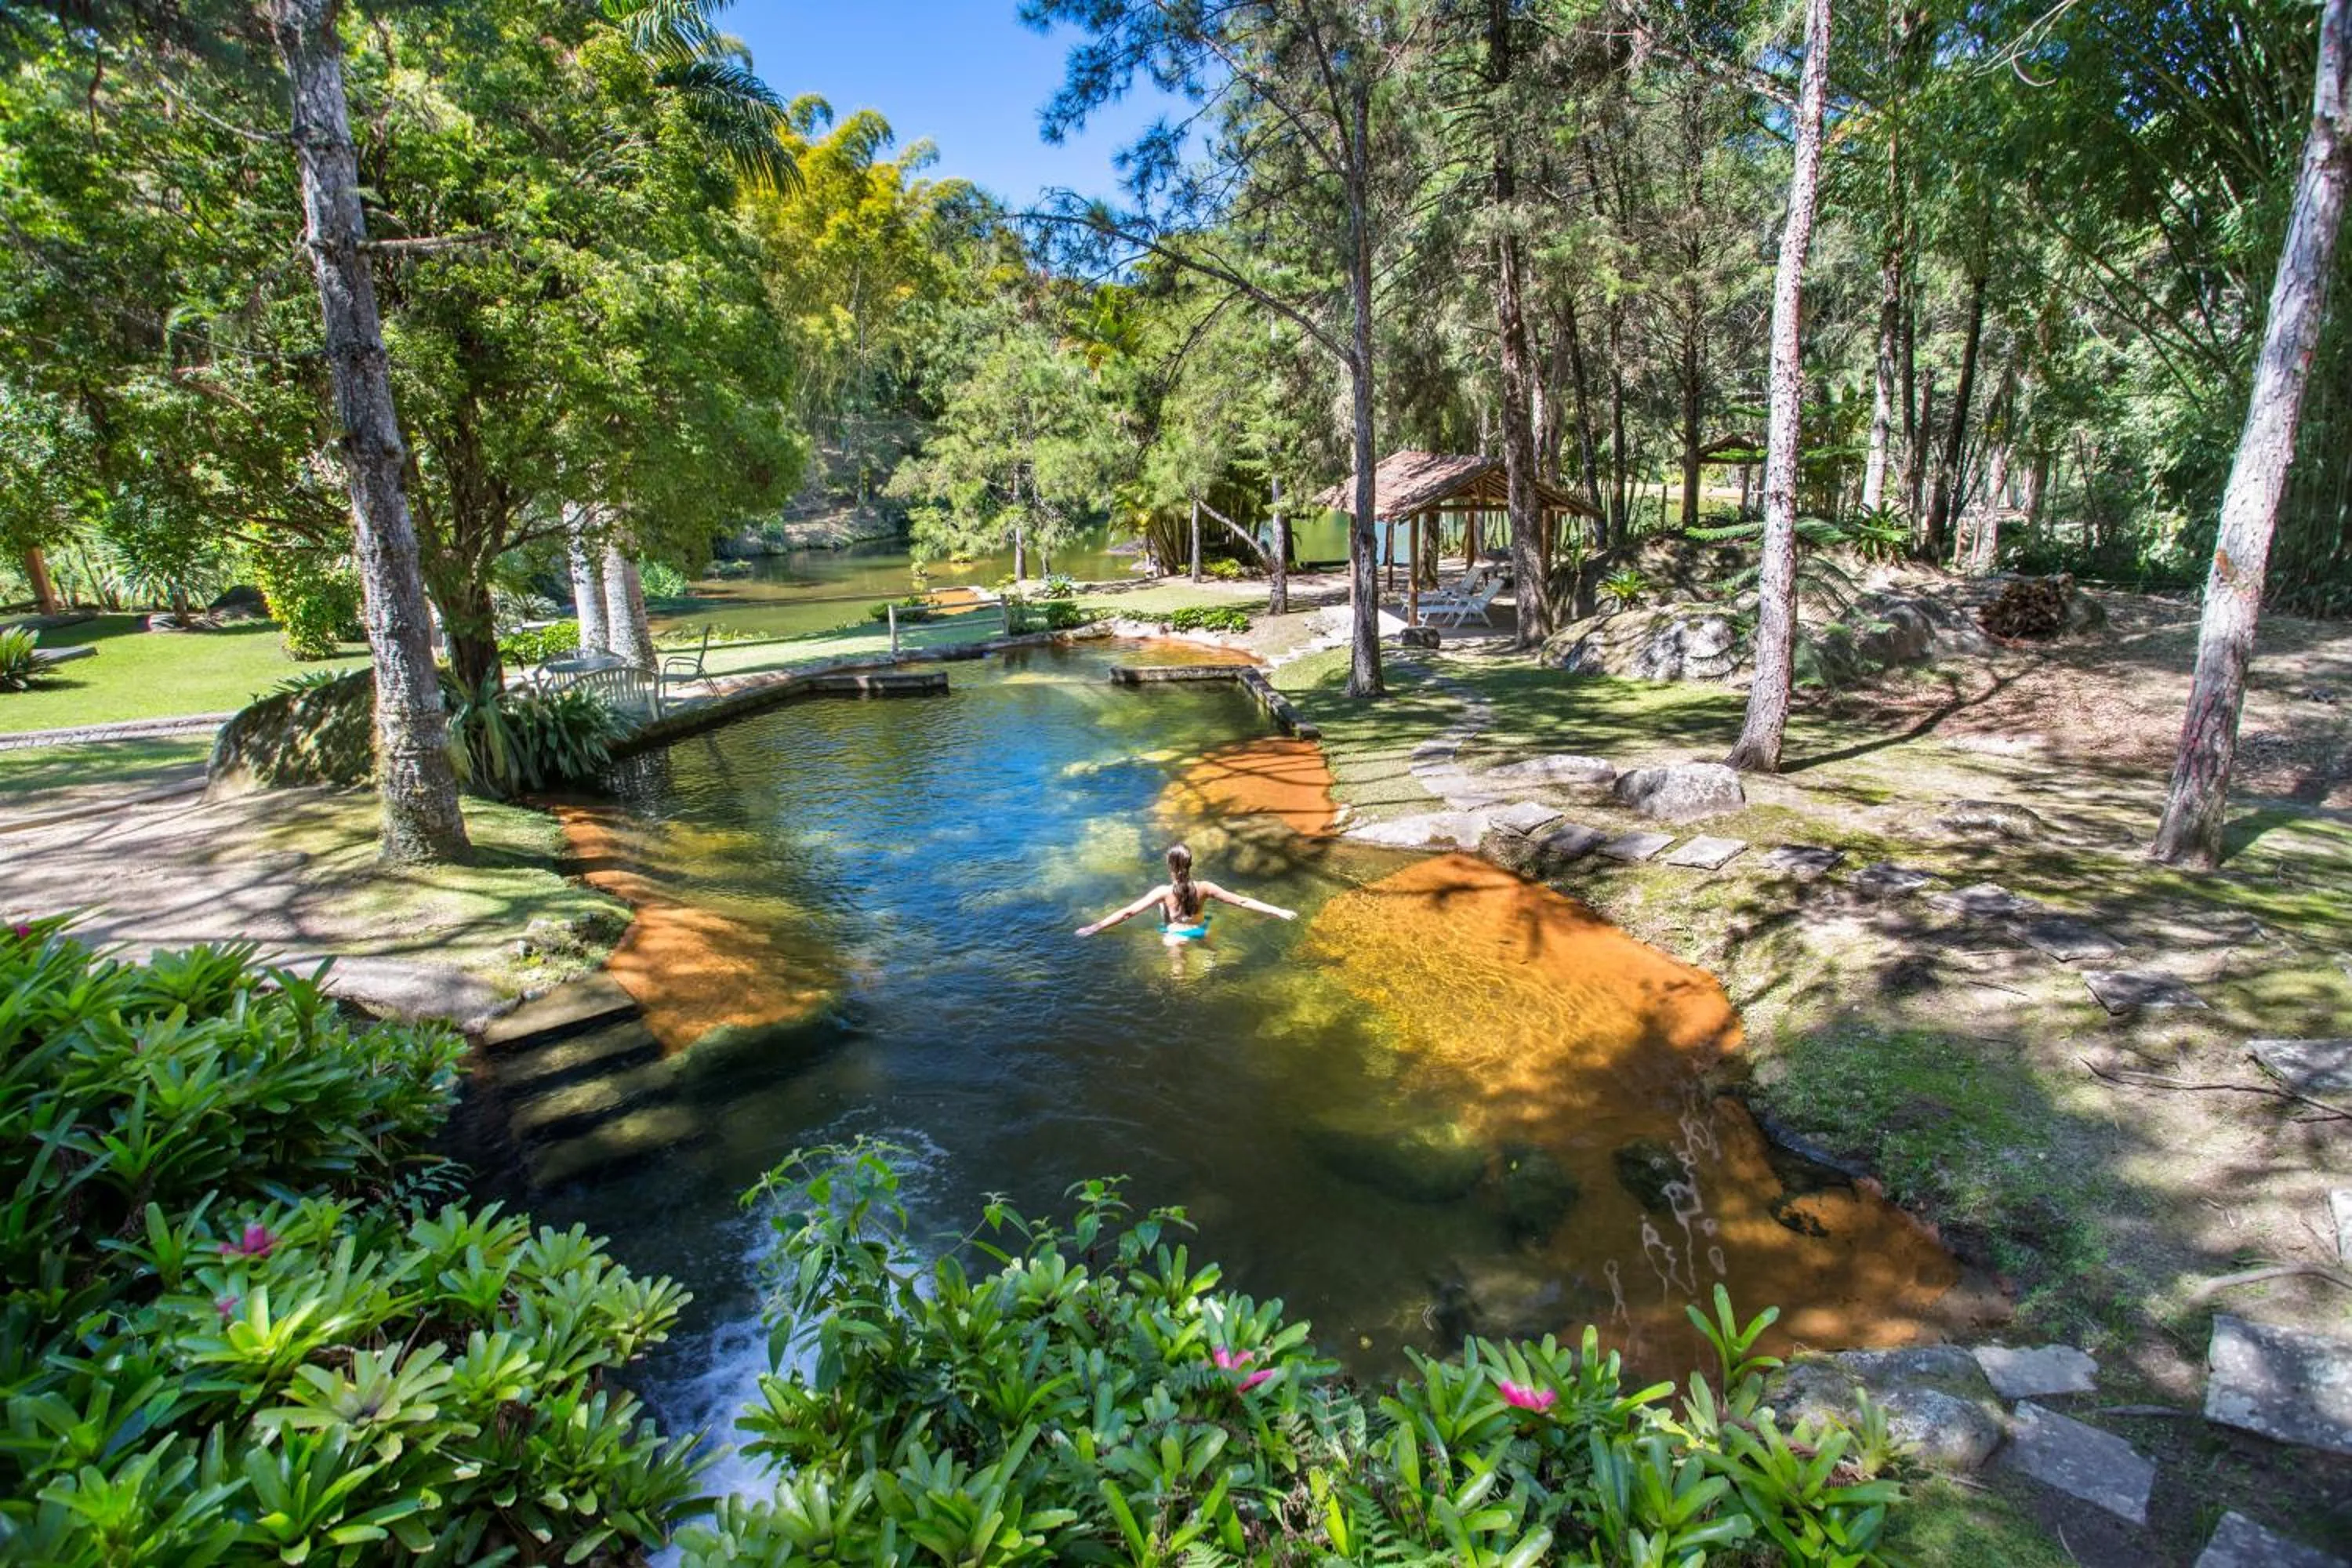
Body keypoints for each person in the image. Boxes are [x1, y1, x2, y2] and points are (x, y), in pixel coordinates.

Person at [1074, 843, 1296, 943]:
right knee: (1211, 951)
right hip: (1201, 931)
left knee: (1179, 977)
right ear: (1190, 865)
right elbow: (1243, 902)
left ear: (1169, 866)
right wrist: (1278, 910)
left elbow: (1128, 913)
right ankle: (1211, 959)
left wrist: (1095, 927)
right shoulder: (1206, 887)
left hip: (1175, 937)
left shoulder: (1163, 892)